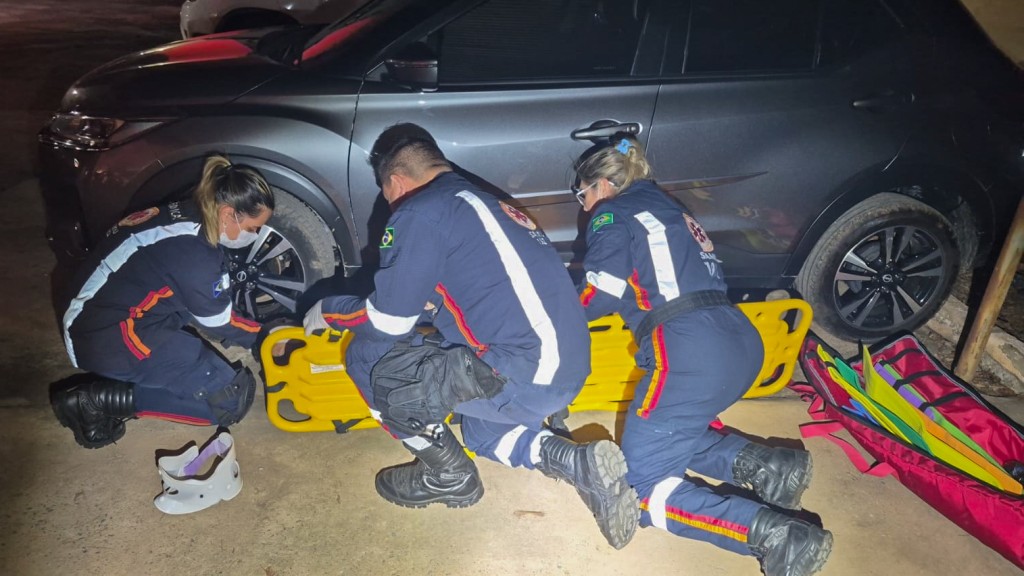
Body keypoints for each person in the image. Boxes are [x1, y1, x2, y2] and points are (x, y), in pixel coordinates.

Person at [302, 123, 640, 549]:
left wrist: (329, 310)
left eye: (386, 194)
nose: (389, 204)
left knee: (371, 360)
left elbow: (389, 323)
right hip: (565, 370)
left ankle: (447, 474)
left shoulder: (420, 212)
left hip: (523, 374)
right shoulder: (489, 202)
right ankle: (577, 463)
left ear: (396, 182)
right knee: (482, 432)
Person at [572, 136, 832, 575]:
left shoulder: (611, 211)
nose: (584, 207)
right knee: (667, 432)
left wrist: (551, 320)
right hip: (737, 341)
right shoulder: (671, 209)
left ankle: (778, 537)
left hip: (688, 353)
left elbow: (600, 293)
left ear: (602, 184)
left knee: (639, 487)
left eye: (583, 195)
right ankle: (771, 468)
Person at [50, 154, 276, 449]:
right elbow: (218, 322)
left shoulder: (190, 213)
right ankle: (94, 400)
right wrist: (266, 337)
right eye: (252, 228)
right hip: (108, 335)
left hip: (105, 318)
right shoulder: (194, 253)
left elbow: (205, 300)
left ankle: (134, 377)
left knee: (209, 366)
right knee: (230, 400)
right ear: (228, 214)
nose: (254, 234)